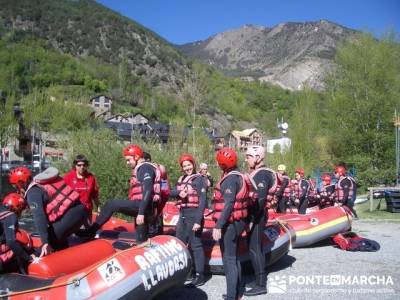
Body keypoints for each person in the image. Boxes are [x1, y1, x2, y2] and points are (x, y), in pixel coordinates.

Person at [84, 144, 162, 243]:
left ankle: (91, 231)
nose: (127, 163)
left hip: (144, 206)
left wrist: (141, 213)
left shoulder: (144, 168)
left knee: (111, 204)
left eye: (129, 160)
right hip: (146, 207)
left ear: (136, 157)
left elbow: (148, 189)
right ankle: (142, 247)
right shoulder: (144, 167)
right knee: (141, 238)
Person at [9, 167, 87, 256]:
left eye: (15, 186)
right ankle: (65, 259)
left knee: (49, 239)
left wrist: (45, 242)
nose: (16, 189)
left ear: (21, 183)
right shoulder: (39, 185)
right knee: (57, 239)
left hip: (72, 216)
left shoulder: (32, 192)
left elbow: (39, 217)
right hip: (80, 212)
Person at [212, 147, 249, 300]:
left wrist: (218, 225)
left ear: (222, 164)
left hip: (230, 224)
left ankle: (231, 296)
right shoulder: (239, 176)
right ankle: (237, 292)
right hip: (239, 222)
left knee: (229, 260)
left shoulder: (230, 179)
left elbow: (228, 204)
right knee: (234, 257)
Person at [170, 153, 207, 287]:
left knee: (196, 245)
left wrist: (198, 221)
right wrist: (178, 193)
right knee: (180, 244)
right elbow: (170, 192)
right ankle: (188, 272)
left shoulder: (199, 179)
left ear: (193, 164)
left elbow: (203, 201)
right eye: (184, 166)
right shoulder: (181, 178)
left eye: (189, 165)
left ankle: (200, 275)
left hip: (194, 215)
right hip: (183, 214)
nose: (187, 168)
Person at [244, 145, 274, 296]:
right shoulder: (256, 172)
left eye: (248, 156)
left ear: (258, 157)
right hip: (255, 216)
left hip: (257, 216)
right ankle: (258, 279)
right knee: (254, 248)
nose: (246, 159)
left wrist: (251, 220)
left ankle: (261, 284)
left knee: (255, 249)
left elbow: (260, 200)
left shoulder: (262, 174)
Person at [0, 193, 36, 274]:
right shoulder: (10, 215)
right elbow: (11, 242)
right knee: (18, 247)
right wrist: (28, 258)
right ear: (17, 207)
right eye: (22, 208)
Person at [64, 154, 99, 226]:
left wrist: (98, 208)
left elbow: (95, 195)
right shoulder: (68, 178)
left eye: (84, 165)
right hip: (73, 211)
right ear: (75, 166)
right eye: (79, 165)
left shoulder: (90, 177)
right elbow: (62, 195)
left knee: (86, 233)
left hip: (87, 211)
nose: (82, 167)